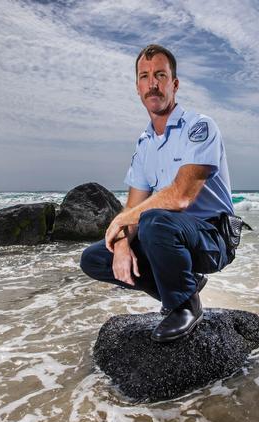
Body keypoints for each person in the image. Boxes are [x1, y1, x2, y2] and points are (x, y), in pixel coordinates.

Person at [80, 44, 235, 342]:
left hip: (211, 238)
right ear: (138, 87)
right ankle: (187, 286)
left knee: (154, 220)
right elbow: (134, 209)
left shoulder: (199, 127)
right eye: (145, 76)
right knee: (96, 257)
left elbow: (180, 196)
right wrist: (123, 243)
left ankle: (184, 305)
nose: (153, 84)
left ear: (174, 84)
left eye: (160, 75)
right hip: (165, 236)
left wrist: (123, 220)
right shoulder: (144, 144)